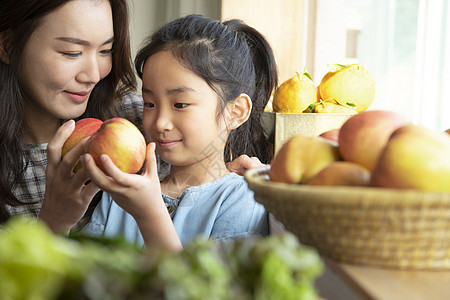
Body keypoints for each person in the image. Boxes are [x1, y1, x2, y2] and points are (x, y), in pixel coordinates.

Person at [0, 0, 263, 239]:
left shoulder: (133, 123)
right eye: (72, 52)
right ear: (8, 45)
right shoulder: (121, 189)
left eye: (106, 50)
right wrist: (54, 221)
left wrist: (256, 181)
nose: (93, 75)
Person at [80, 14, 278, 248]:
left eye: (180, 104)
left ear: (236, 112)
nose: (160, 123)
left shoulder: (241, 199)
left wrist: (149, 214)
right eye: (149, 104)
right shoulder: (121, 193)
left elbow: (206, 285)